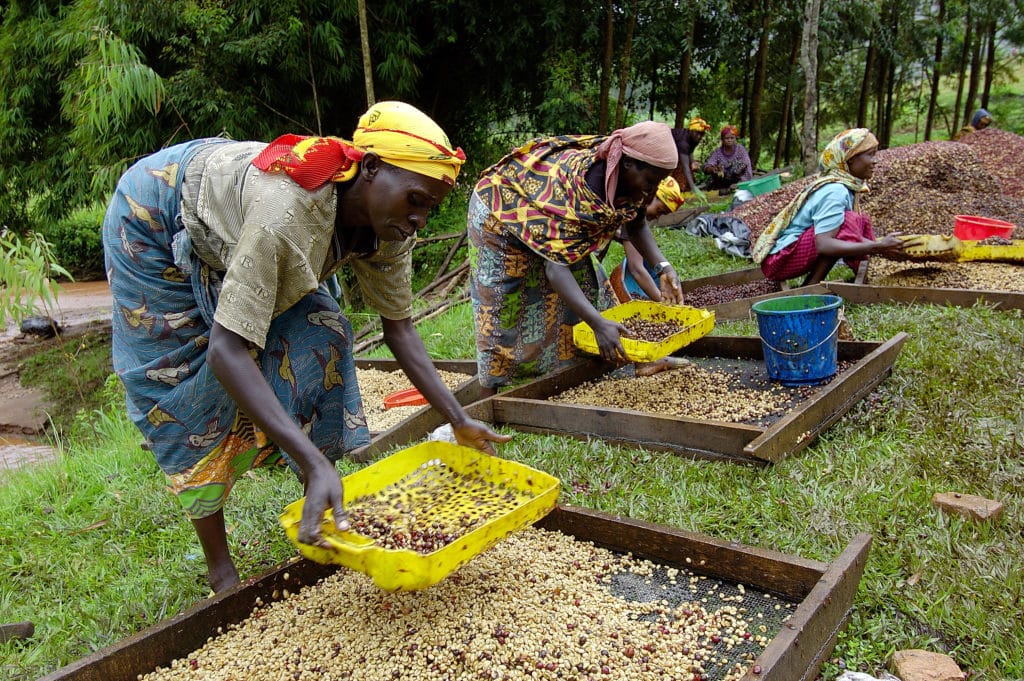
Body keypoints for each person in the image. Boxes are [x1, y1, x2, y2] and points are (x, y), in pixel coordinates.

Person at [102, 101, 510, 592]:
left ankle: (318, 504)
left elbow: (399, 330)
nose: (420, 218)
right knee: (179, 386)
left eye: (429, 208)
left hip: (241, 208)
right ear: (372, 168)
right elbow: (225, 350)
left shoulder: (392, 226)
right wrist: (313, 462)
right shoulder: (286, 215)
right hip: (156, 214)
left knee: (324, 328)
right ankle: (220, 567)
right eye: (415, 200)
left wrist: (456, 416)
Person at [468, 121, 683, 397]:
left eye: (659, 182)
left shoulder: (630, 176)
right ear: (629, 165)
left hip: (549, 219)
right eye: (651, 182)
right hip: (502, 212)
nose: (652, 192)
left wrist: (663, 267)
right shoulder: (582, 189)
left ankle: (642, 359)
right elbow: (556, 269)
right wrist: (596, 323)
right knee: (504, 300)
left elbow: (636, 222)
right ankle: (490, 399)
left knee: (591, 282)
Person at [751, 128, 911, 286]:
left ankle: (864, 274)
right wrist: (876, 247)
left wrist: (880, 248)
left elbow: (850, 236)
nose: (875, 160)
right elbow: (825, 244)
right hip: (780, 260)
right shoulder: (836, 191)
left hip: (789, 254)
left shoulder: (845, 186)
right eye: (870, 155)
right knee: (847, 222)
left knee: (859, 221)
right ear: (850, 159)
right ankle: (811, 285)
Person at [609, 176, 687, 303]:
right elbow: (637, 269)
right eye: (659, 210)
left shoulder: (634, 214)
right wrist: (665, 304)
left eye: (662, 214)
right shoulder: (631, 210)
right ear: (652, 196)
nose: (657, 217)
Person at [671, 118, 712, 204]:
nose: (699, 136)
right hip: (668, 152)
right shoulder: (683, 142)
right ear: (691, 131)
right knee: (682, 170)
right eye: (697, 133)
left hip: (678, 152)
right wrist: (694, 189)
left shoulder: (694, 139)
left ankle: (688, 188)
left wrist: (693, 162)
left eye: (702, 134)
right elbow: (686, 167)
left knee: (689, 170)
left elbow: (690, 151)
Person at [702, 125, 753, 190]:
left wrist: (740, 184)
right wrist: (713, 169)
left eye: (732, 138)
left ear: (735, 139)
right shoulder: (718, 152)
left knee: (740, 165)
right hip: (723, 181)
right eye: (727, 138)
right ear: (722, 139)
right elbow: (708, 165)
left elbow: (747, 166)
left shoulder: (741, 150)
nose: (729, 140)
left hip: (738, 180)